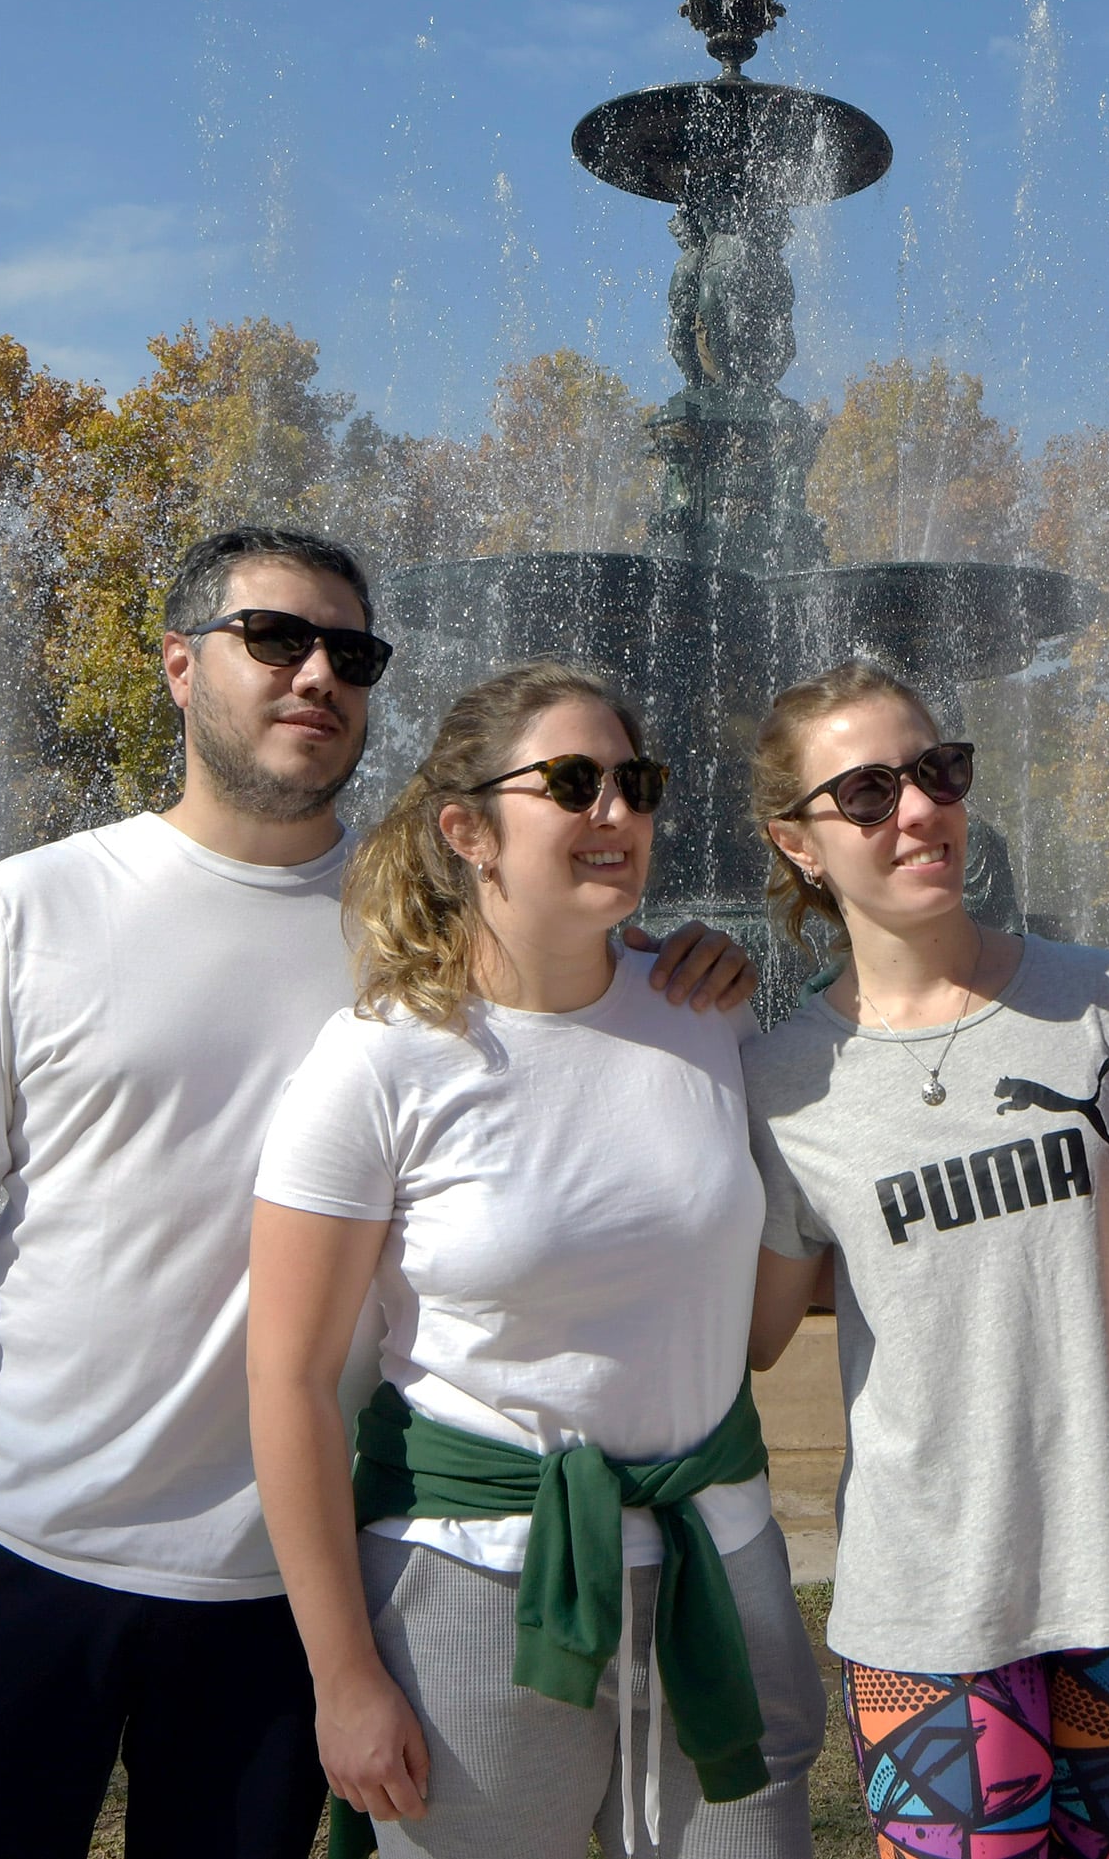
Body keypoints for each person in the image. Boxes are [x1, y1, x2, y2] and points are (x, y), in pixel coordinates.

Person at [0, 535, 754, 1859]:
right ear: (180, 663)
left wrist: (689, 958)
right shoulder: (32, 906)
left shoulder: (422, 921)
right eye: (275, 639)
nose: (317, 675)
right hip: (16, 1547)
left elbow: (578, 997)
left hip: (285, 1596)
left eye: (352, 656)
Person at [248, 660, 824, 1859]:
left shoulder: (709, 1013)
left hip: (720, 1567)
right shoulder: (376, 1064)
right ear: (468, 830)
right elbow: (290, 1381)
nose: (614, 810)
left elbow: (757, 1315)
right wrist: (342, 1673)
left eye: (636, 782)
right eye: (572, 783)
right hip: (476, 1592)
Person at [738, 663, 1109, 1859]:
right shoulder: (785, 1082)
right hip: (924, 1607)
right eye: (867, 792)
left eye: (937, 772)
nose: (916, 809)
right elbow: (746, 1335)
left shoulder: (1103, 1000)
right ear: (797, 844)